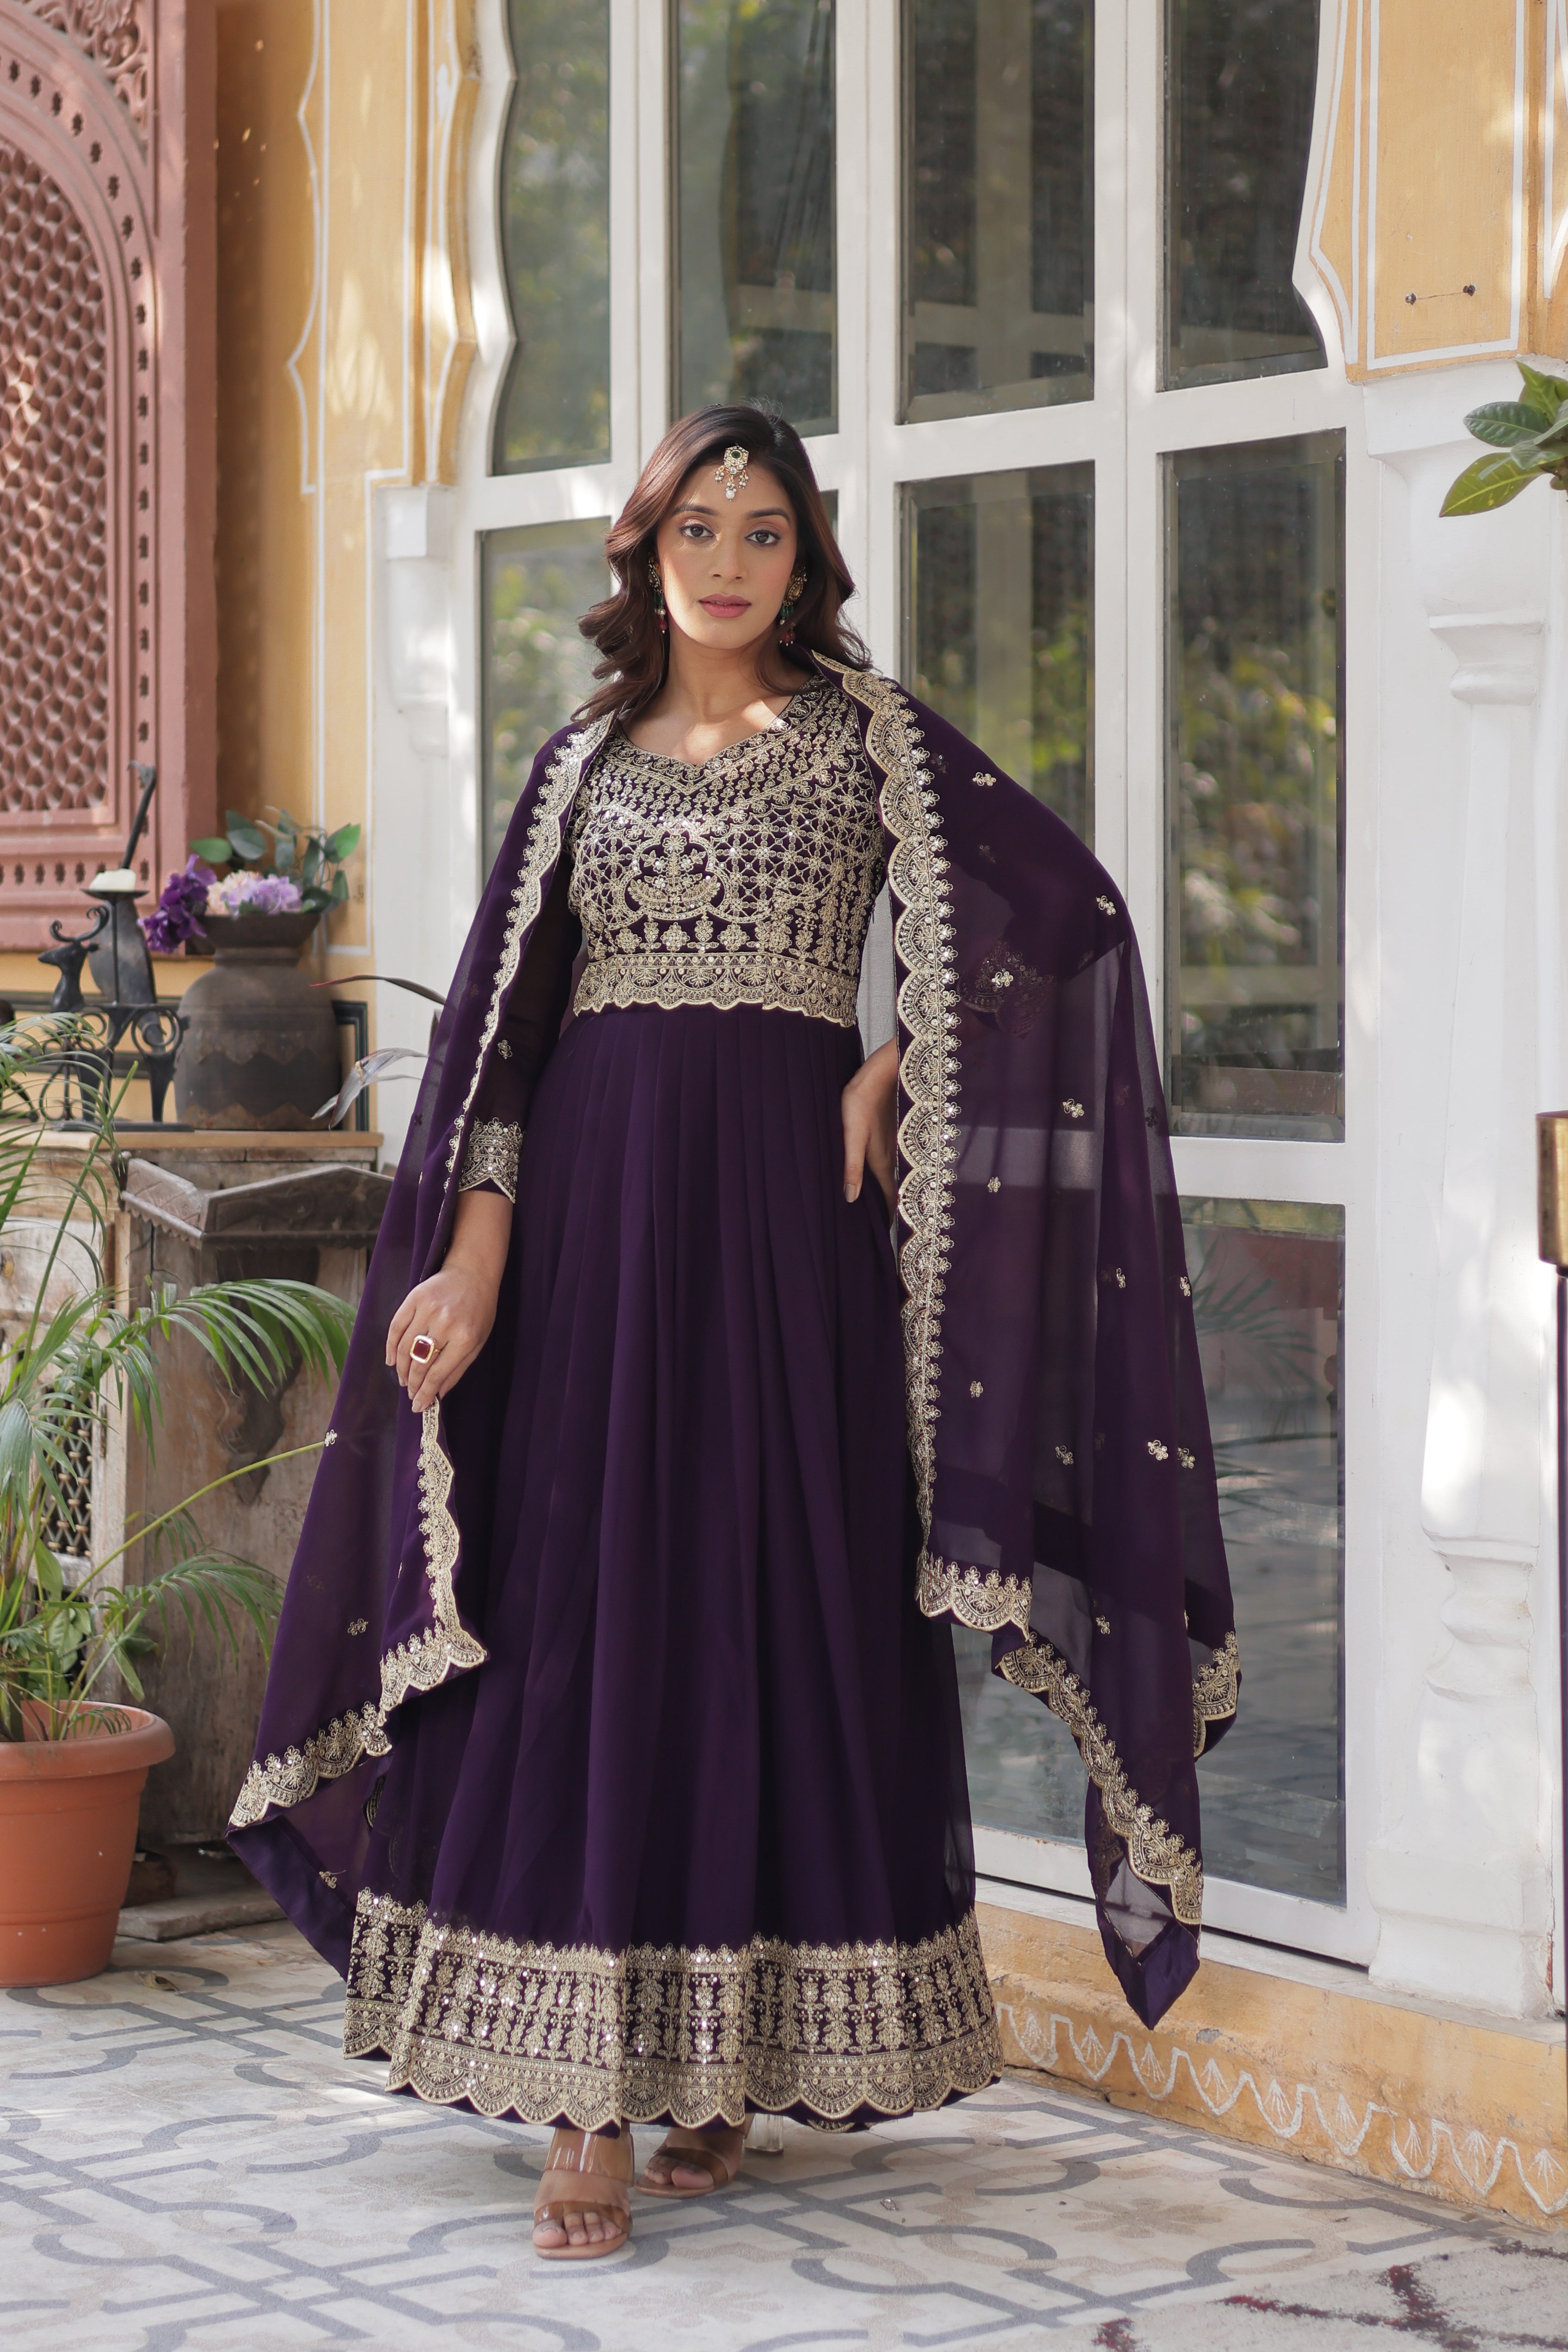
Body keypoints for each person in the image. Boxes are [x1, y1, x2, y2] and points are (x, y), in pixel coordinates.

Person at [229, 406, 1238, 2261]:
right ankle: (583, 2101)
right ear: (645, 548)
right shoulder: (582, 762)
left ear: (804, 560)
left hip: (788, 1239)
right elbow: (506, 1060)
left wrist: (900, 1055)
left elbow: (1070, 925)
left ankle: (717, 2064)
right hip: (593, 1237)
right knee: (580, 1619)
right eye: (697, 524)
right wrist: (468, 1270)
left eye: (763, 531)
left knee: (762, 1608)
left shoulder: (867, 743)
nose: (725, 559)